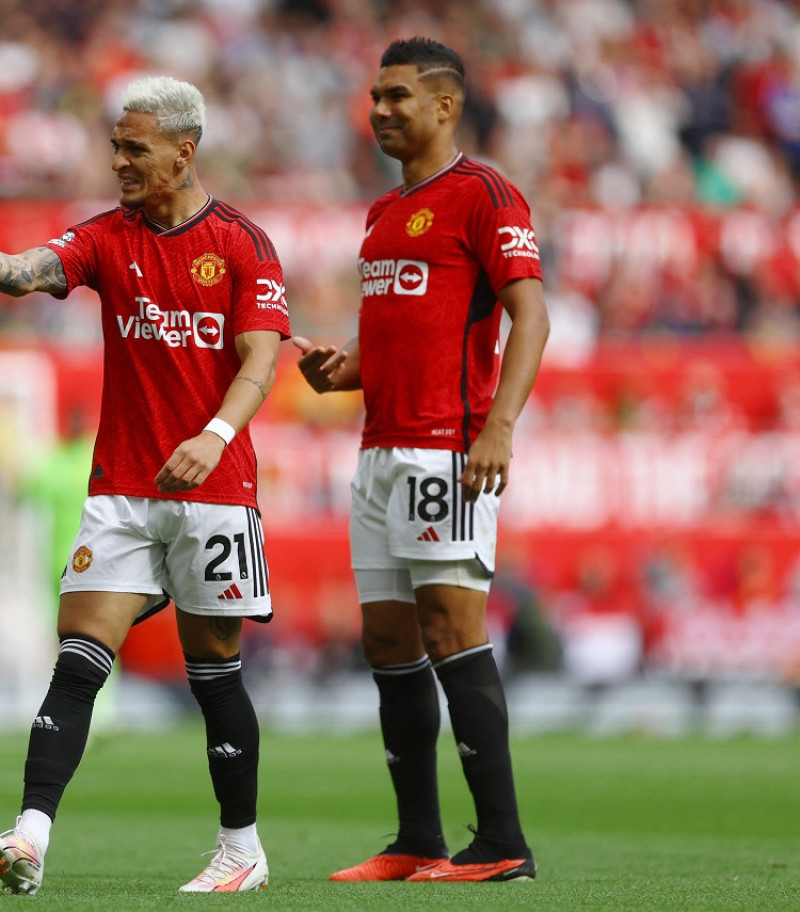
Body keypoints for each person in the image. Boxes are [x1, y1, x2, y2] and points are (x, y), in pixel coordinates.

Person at [0, 74, 290, 895]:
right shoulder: (107, 237)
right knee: (77, 660)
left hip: (215, 487)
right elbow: (23, 273)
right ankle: (30, 839)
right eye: (115, 147)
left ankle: (242, 850)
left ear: (183, 150)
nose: (119, 161)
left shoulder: (242, 244)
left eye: (134, 148)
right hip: (124, 490)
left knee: (215, 673)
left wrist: (214, 434)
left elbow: (262, 360)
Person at [294, 37, 549, 884]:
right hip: (378, 449)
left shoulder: (485, 195)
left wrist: (500, 426)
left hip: (449, 445)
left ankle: (502, 841)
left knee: (451, 629)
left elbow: (531, 316)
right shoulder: (381, 214)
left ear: (445, 105)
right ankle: (417, 840)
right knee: (387, 638)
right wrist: (347, 370)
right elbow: (400, 329)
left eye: (398, 96)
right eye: (375, 96)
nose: (380, 110)